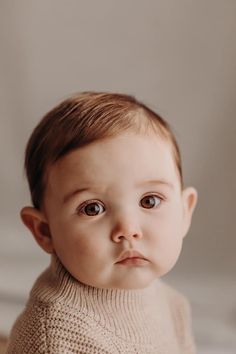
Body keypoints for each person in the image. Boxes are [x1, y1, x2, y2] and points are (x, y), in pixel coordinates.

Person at [6, 92, 198, 354]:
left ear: (185, 212)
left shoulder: (173, 305)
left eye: (149, 201)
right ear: (44, 231)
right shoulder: (55, 339)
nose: (128, 229)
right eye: (92, 208)